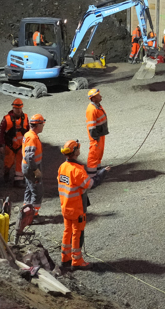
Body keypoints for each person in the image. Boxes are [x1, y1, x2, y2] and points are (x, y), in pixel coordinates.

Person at [57, 140, 95, 269]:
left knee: (67, 231)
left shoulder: (62, 167)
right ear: (76, 152)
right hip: (77, 208)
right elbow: (89, 184)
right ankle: (77, 261)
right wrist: (103, 173)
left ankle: (65, 259)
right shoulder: (77, 170)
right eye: (78, 148)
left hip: (65, 206)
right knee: (77, 234)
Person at [0, 98, 30, 183]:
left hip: (20, 146)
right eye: (16, 108)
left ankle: (18, 180)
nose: (18, 110)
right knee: (8, 162)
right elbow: (1, 133)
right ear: (13, 108)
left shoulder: (26, 118)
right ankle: (6, 172)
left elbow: (28, 132)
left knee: (20, 163)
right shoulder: (6, 119)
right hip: (10, 146)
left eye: (19, 108)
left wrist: (29, 144)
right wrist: (1, 145)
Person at [22, 113, 47, 208]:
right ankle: (33, 215)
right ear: (38, 125)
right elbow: (29, 157)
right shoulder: (32, 138)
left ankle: (25, 212)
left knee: (29, 189)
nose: (43, 127)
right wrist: (35, 170)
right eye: (42, 125)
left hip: (28, 167)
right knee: (37, 192)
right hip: (31, 168)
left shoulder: (29, 135)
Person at [85, 89, 108, 174]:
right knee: (94, 156)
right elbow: (91, 127)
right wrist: (95, 138)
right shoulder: (92, 109)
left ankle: (98, 172)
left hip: (100, 135)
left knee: (99, 154)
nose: (100, 96)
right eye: (98, 95)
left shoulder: (97, 106)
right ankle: (92, 175)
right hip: (96, 137)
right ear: (93, 99)